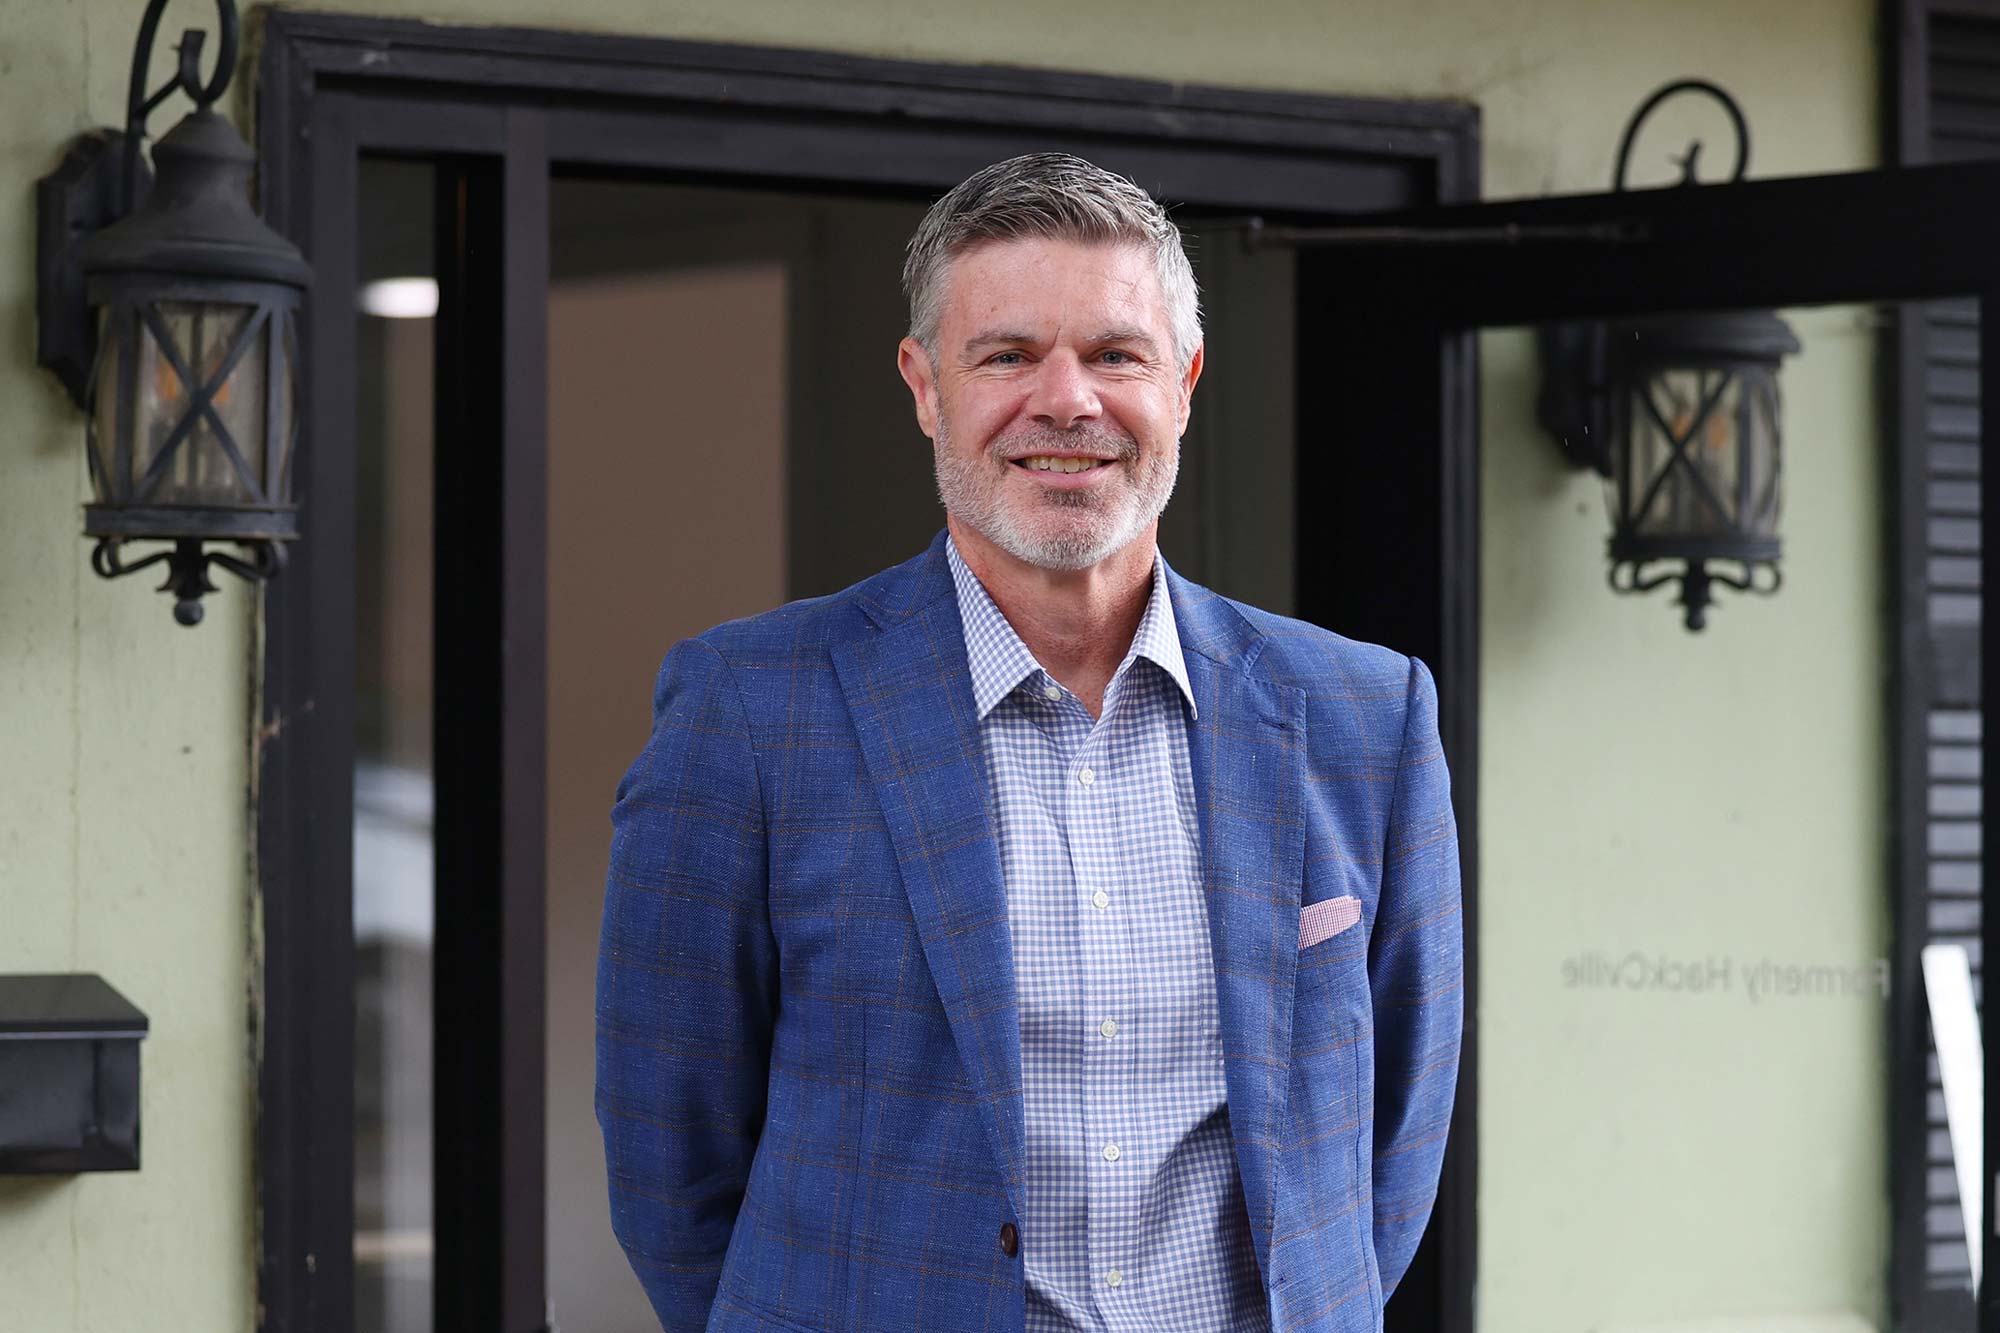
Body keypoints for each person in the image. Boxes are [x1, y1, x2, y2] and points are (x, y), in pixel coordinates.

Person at [597, 151, 1463, 1333]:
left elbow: (1393, 1145)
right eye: (1005, 354)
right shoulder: (751, 710)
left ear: (1185, 380)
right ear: (923, 386)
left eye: (1115, 354)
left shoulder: (1364, 716)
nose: (1067, 401)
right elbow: (668, 1156)